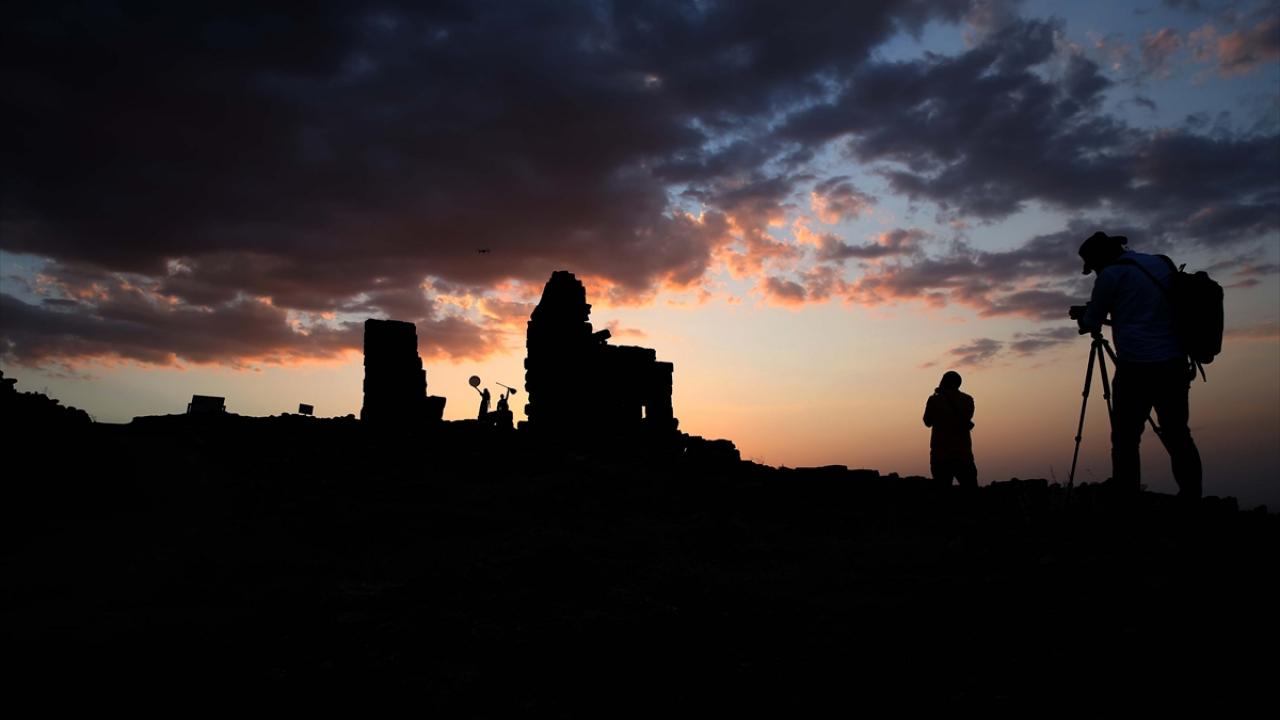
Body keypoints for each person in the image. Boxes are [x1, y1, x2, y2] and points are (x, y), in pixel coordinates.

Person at [1074, 231, 1202, 499]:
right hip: (1174, 363)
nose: (1095, 271)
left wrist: (1084, 316)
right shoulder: (1159, 263)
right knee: (1178, 434)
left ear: (1099, 259)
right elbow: (1144, 305)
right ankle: (1192, 496)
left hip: (1136, 368)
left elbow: (1091, 323)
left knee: (1125, 440)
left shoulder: (1110, 276)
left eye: (1094, 266)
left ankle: (1126, 497)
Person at [923, 370, 977, 489]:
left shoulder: (934, 400)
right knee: (971, 491)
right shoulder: (967, 400)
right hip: (963, 454)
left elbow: (927, 422)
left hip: (940, 455)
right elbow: (967, 417)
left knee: (942, 492)